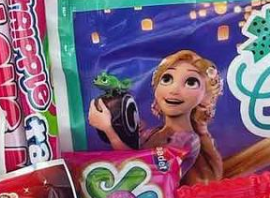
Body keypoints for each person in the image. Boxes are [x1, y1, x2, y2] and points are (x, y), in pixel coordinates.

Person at [88, 50, 224, 185]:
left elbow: (140, 171)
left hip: (159, 196)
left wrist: (109, 131)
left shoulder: (187, 140)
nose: (174, 90)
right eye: (167, 79)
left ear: (205, 96)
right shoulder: (153, 132)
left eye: (191, 82)